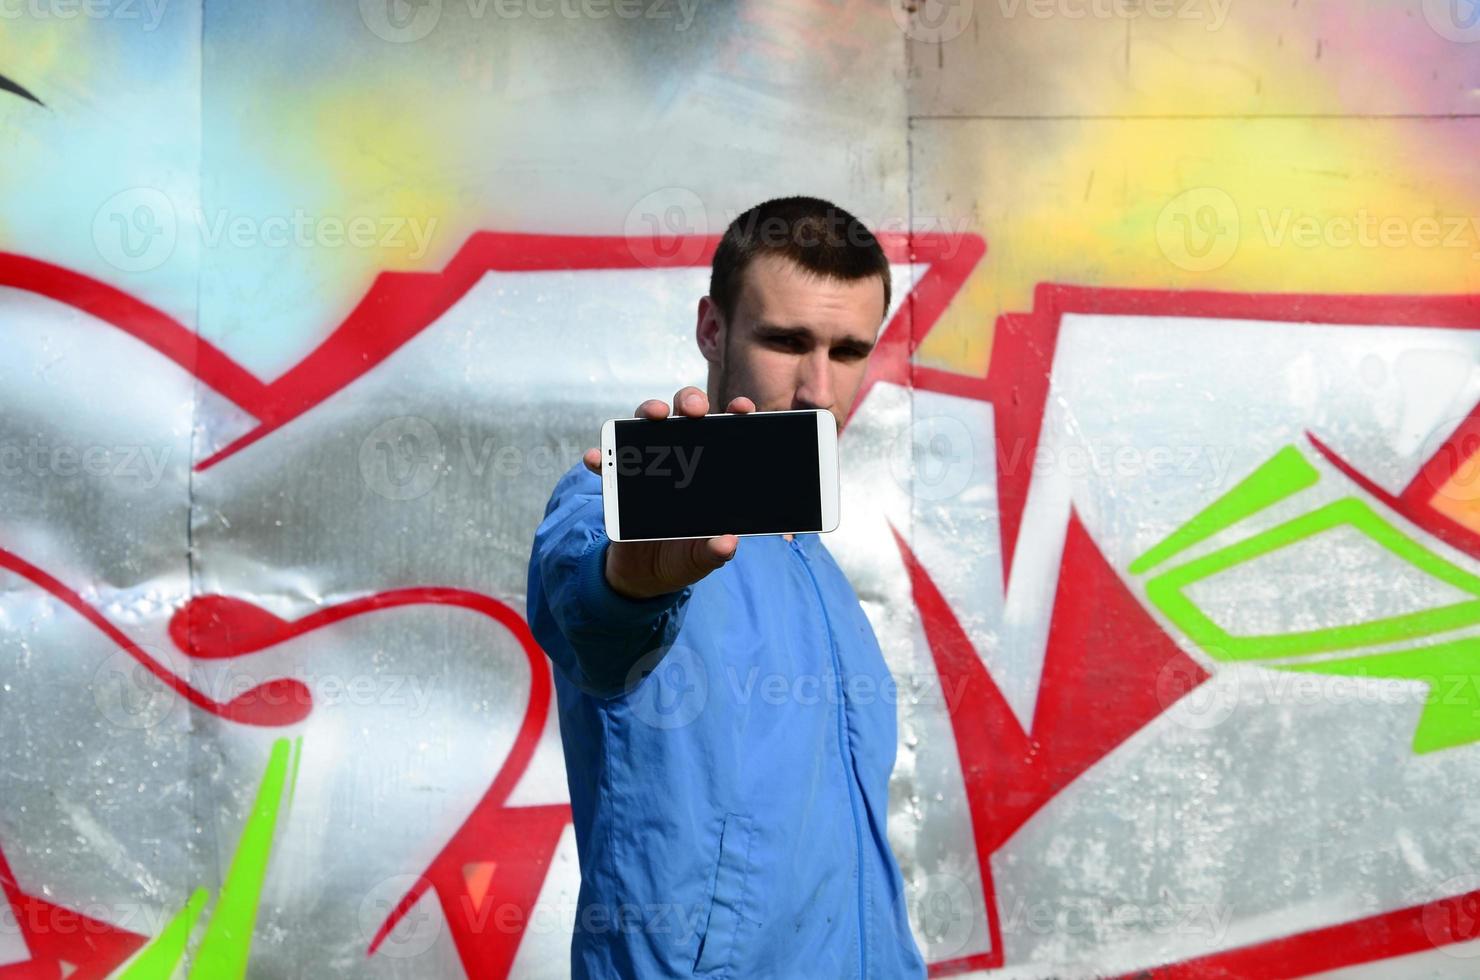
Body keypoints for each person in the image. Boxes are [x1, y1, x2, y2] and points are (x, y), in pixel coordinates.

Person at [526, 196, 927, 978]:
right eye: (786, 341)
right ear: (712, 329)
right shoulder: (620, 510)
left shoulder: (821, 573)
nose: (819, 388)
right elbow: (589, 610)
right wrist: (630, 589)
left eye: (848, 351)